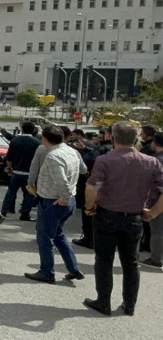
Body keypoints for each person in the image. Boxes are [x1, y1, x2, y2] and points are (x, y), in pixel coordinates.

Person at [82, 122, 163, 317]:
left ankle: (103, 301)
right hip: (134, 218)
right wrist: (153, 212)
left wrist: (89, 206)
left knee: (104, 261)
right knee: (131, 263)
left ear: (112, 137)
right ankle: (129, 305)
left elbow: (93, 187)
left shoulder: (104, 160)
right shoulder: (151, 162)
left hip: (107, 215)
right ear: (136, 140)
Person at [24, 125, 85, 283]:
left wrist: (64, 197)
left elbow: (62, 181)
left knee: (44, 237)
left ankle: (47, 272)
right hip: (68, 200)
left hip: (54, 201)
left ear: (44, 138)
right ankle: (73, 268)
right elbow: (81, 171)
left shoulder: (53, 156)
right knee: (58, 234)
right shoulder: (72, 151)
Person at [3, 121, 41, 221]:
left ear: (22, 129)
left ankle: (4, 211)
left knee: (11, 192)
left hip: (16, 172)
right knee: (30, 194)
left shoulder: (15, 140)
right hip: (30, 173)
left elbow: (9, 156)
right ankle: (25, 214)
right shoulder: (37, 143)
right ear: (33, 130)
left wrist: (9, 168)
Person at [141, 132, 163, 269]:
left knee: (158, 231)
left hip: (158, 199)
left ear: (154, 143)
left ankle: (156, 259)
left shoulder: (157, 160)